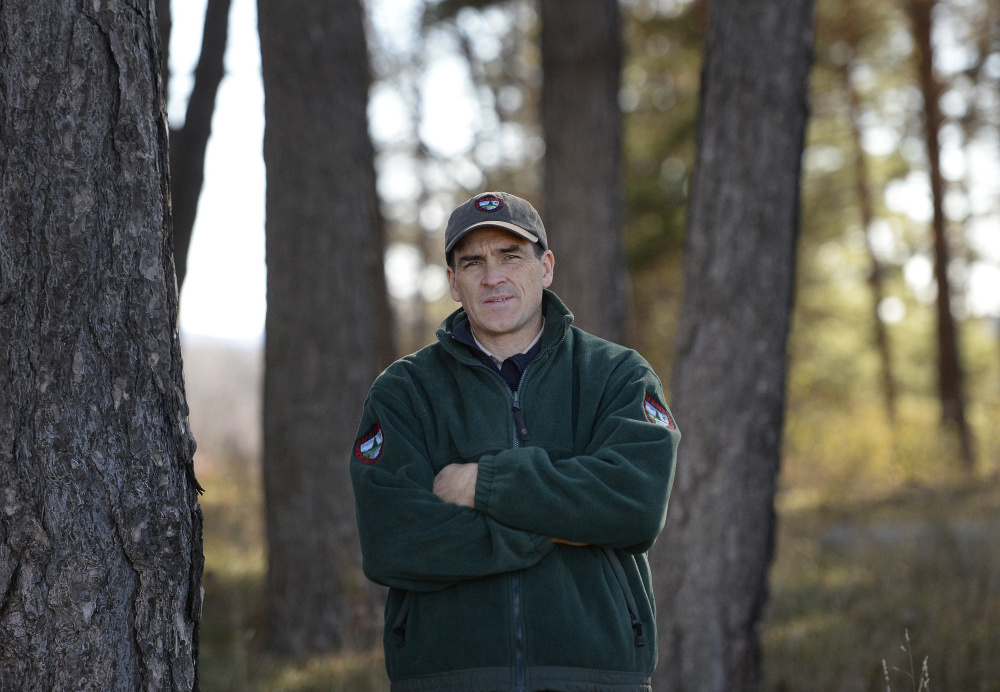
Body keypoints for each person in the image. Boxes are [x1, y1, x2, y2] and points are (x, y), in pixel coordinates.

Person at [350, 191, 679, 692]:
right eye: (473, 262)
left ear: (545, 267)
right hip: (445, 678)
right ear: (453, 283)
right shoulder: (405, 391)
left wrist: (485, 484)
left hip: (595, 677)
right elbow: (392, 540)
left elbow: (634, 505)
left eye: (511, 256)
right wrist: (551, 524)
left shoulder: (616, 375)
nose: (492, 276)